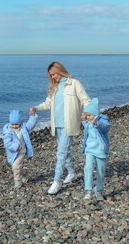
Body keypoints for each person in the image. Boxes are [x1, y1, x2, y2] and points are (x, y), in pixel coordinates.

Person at [31, 61, 92, 194]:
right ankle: (71, 172)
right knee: (64, 151)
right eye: (50, 76)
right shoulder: (55, 87)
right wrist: (36, 108)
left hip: (68, 124)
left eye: (54, 74)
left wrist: (88, 114)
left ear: (60, 71)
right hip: (56, 124)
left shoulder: (74, 83)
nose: (53, 77)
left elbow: (86, 100)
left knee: (61, 153)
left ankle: (56, 181)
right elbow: (47, 103)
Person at [81, 98, 110, 200]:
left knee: (100, 170)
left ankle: (98, 190)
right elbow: (84, 124)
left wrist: (97, 124)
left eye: (89, 115)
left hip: (100, 150)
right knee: (88, 168)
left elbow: (105, 126)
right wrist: (83, 118)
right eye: (87, 115)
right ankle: (88, 190)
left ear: (95, 114)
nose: (88, 117)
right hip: (89, 149)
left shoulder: (102, 120)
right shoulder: (88, 122)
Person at [2, 108, 38, 189]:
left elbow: (31, 124)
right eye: (13, 124)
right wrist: (16, 146)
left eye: (16, 124)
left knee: (15, 166)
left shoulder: (23, 127)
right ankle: (25, 172)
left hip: (21, 152)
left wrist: (33, 116)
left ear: (20, 123)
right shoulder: (7, 131)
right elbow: (7, 143)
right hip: (12, 152)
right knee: (16, 167)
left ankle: (17, 181)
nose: (14, 126)